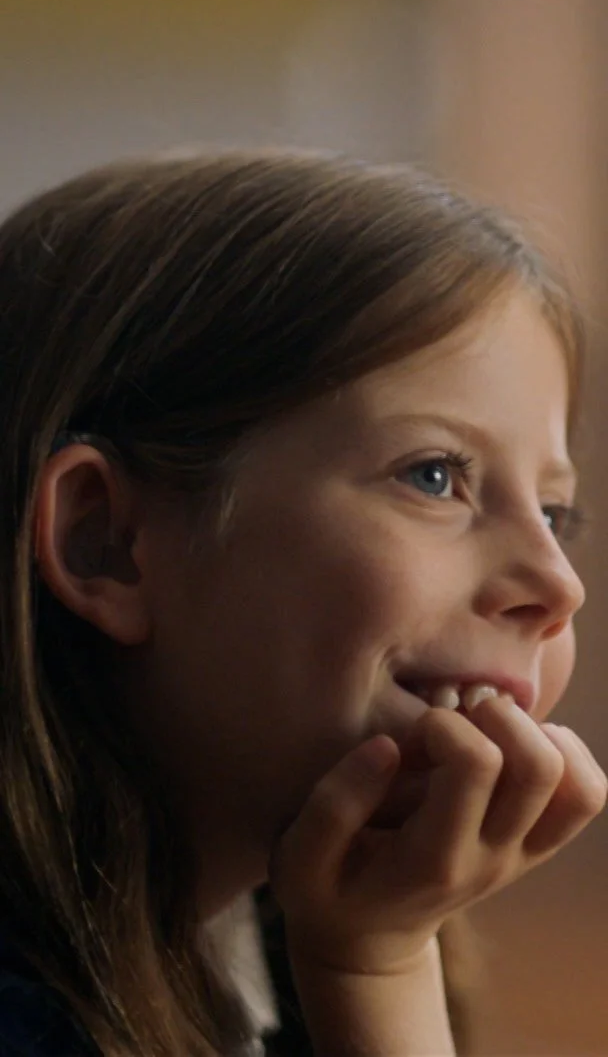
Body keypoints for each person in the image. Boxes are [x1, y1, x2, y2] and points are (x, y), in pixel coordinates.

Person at [0, 148, 604, 1057]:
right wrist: (376, 977)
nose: (559, 584)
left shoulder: (282, 959)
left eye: (555, 514)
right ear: (106, 541)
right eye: (434, 476)